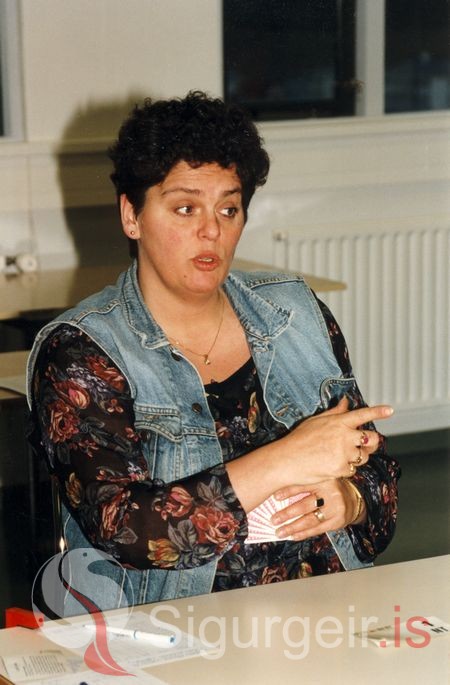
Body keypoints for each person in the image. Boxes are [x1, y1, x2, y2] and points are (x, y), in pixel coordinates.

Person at [27, 91, 399, 615]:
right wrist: (284, 460)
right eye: (185, 208)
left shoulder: (295, 313)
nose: (212, 230)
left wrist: (352, 501)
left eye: (229, 208)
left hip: (326, 612)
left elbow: (380, 478)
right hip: (173, 629)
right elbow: (125, 529)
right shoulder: (80, 351)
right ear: (132, 215)